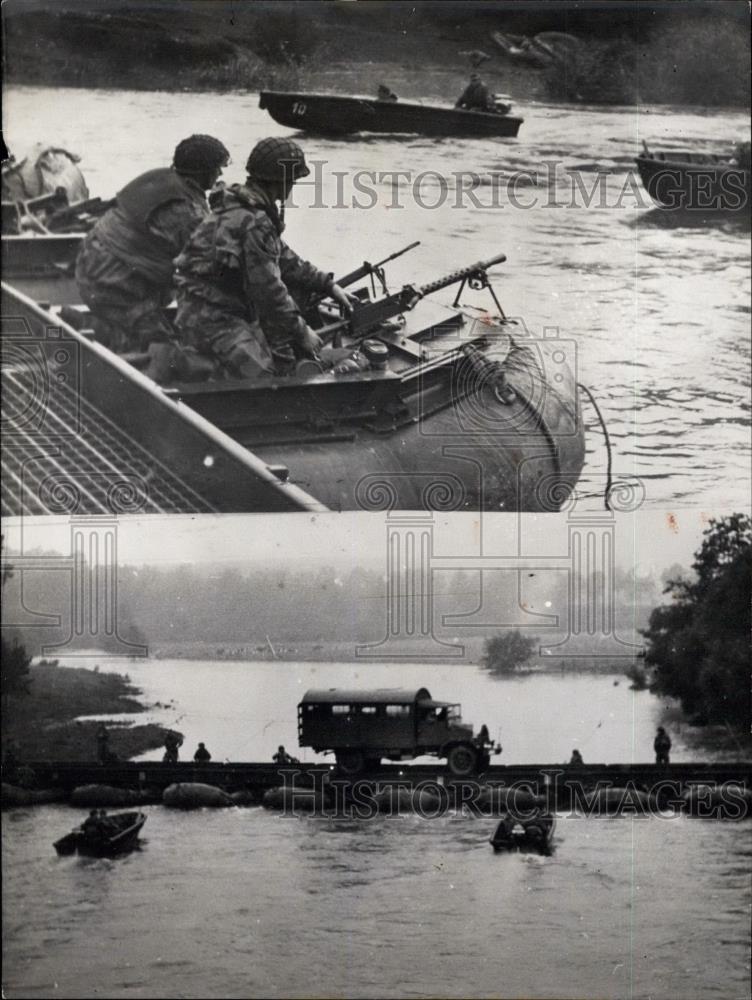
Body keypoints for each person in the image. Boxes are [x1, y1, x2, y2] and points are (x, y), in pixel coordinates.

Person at [174, 136, 356, 379]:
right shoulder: (254, 221)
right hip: (215, 322)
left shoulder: (239, 207)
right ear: (280, 181)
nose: (292, 186)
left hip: (201, 311)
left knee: (281, 346)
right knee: (267, 379)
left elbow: (283, 257)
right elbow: (269, 290)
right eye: (292, 180)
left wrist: (328, 284)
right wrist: (303, 333)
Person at [75, 134, 230, 380]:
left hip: (91, 265)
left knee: (165, 312)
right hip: (113, 283)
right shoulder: (186, 210)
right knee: (165, 350)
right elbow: (209, 264)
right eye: (217, 170)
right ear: (203, 172)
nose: (220, 175)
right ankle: (108, 342)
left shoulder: (165, 181)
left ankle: (104, 327)